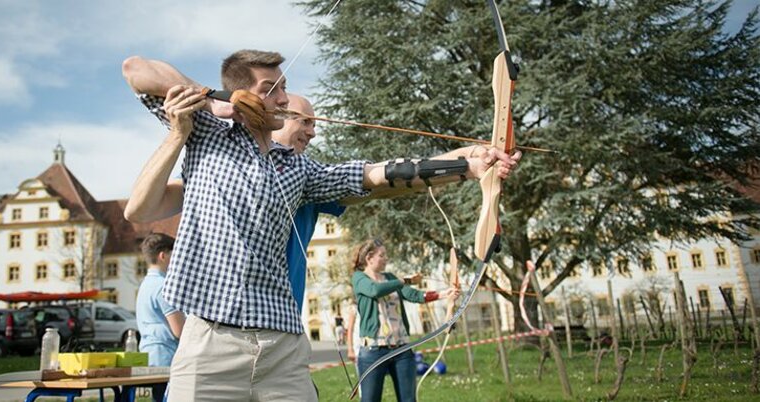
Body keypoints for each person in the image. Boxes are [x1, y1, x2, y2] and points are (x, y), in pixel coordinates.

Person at [121, 50, 520, 401]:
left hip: (282, 344)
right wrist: (213, 101)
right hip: (212, 340)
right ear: (243, 94)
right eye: (270, 88)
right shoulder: (208, 135)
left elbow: (377, 176)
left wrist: (467, 165)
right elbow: (135, 68)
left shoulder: (299, 170)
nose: (281, 98)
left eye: (284, 88)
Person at [273, 94, 519, 313]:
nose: (313, 132)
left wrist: (469, 162)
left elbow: (381, 181)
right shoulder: (241, 168)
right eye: (304, 121)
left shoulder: (309, 179)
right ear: (273, 117)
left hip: (285, 321)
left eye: (314, 124)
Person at [350, 238, 459, 402]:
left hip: (401, 348)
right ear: (369, 258)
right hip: (373, 351)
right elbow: (374, 290)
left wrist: (444, 294)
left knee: (408, 399)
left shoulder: (390, 278)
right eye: (382, 255)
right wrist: (403, 280)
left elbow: (413, 295)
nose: (386, 258)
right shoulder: (359, 278)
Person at [135, 233, 185, 402]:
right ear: (163, 256)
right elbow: (180, 330)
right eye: (174, 254)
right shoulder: (164, 287)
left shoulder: (145, 284)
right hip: (167, 356)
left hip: (150, 354)